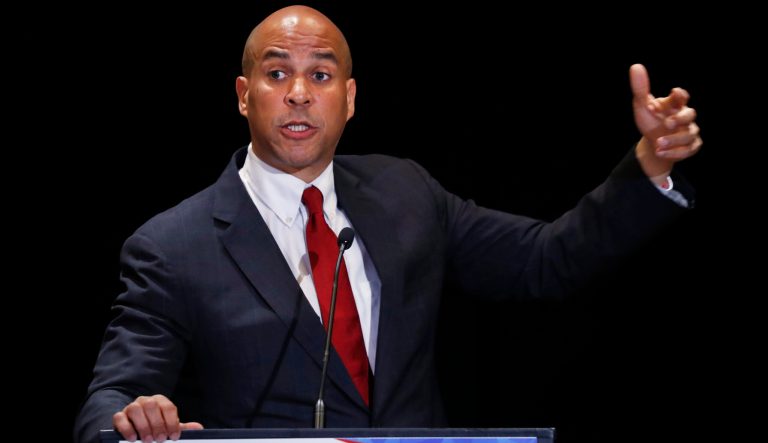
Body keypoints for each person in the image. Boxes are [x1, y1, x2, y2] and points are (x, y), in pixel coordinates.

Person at [74, 5, 701, 443]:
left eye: (321, 75)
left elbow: (547, 259)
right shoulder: (173, 246)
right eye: (277, 73)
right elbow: (108, 405)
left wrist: (649, 166)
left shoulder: (405, 193)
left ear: (349, 98)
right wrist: (132, 420)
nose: (299, 93)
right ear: (244, 95)